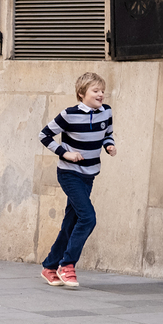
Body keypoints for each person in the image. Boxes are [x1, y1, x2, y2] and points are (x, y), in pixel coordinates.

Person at [39, 72, 116, 288]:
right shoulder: (69, 114)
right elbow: (44, 135)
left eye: (102, 90)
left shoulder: (106, 111)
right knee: (88, 218)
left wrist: (109, 145)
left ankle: (50, 266)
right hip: (69, 173)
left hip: (89, 175)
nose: (101, 94)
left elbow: (107, 133)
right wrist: (65, 153)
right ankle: (67, 264)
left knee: (71, 222)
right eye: (95, 90)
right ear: (82, 93)